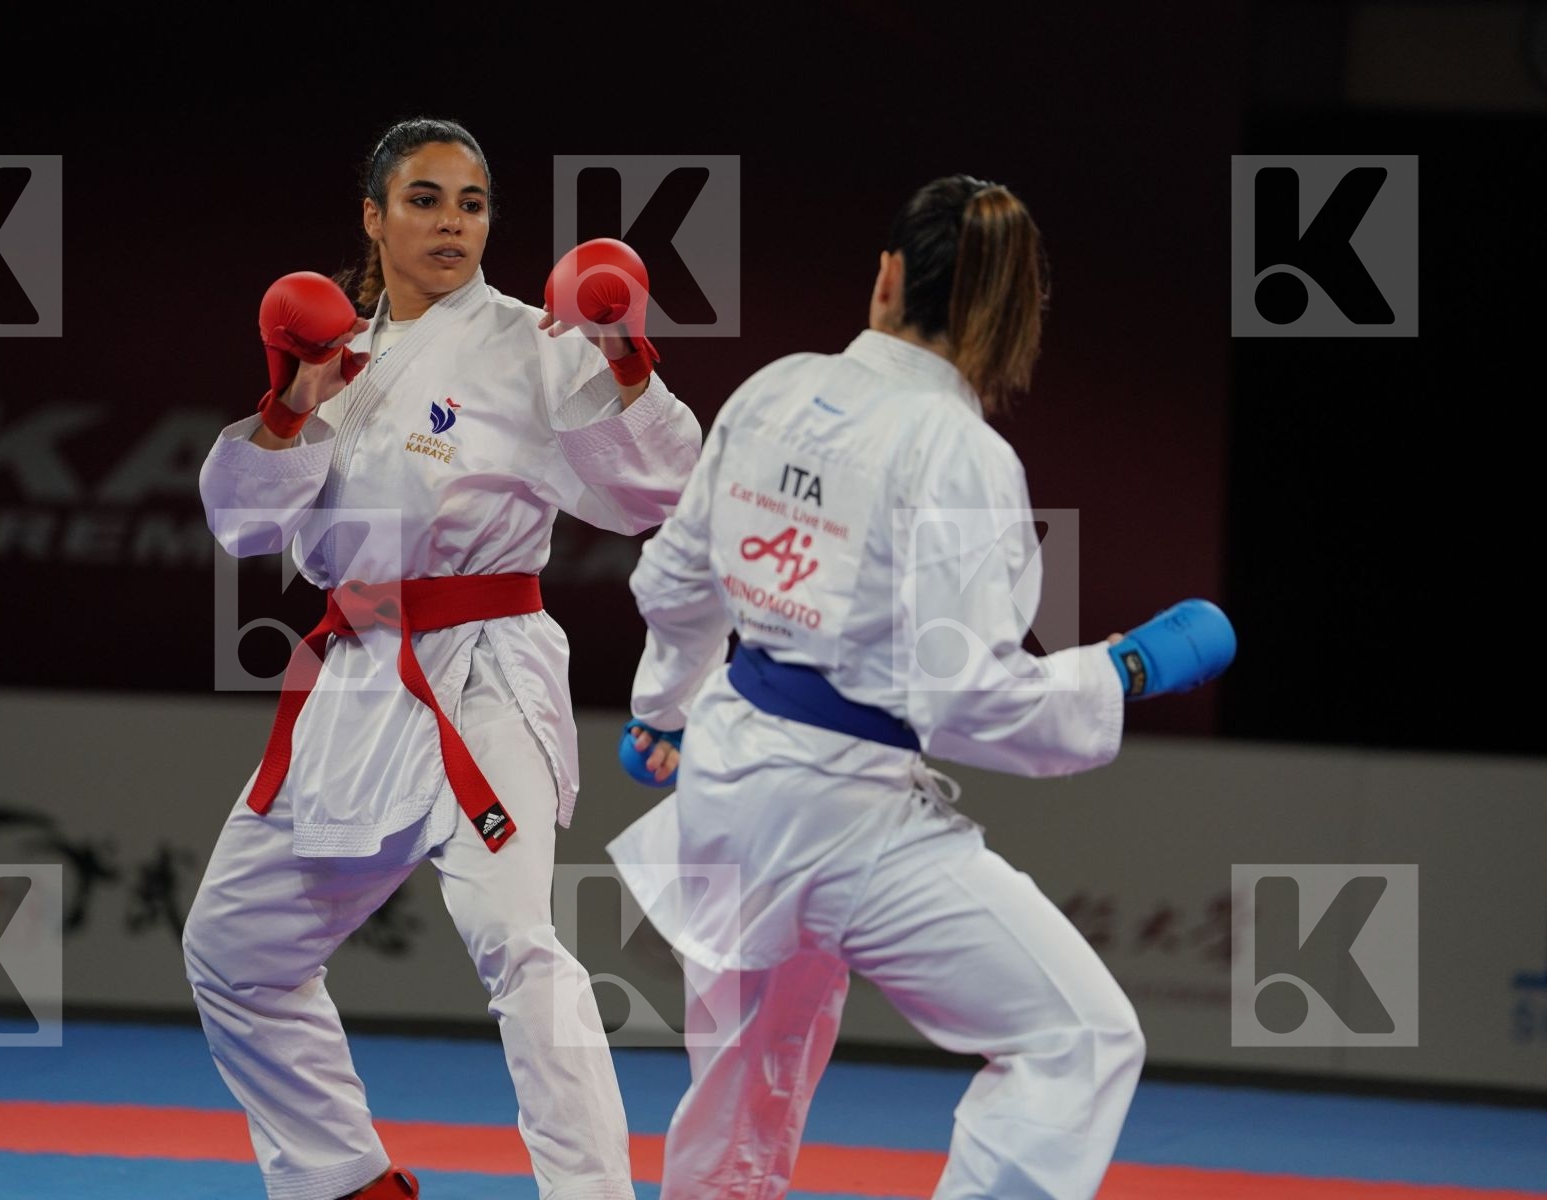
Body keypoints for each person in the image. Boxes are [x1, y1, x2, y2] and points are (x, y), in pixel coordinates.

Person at [607, 175, 1222, 1200]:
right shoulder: (958, 453)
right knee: (1077, 1040)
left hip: (724, 785)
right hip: (839, 811)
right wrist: (1118, 671)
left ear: (887, 276)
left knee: (741, 1089)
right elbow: (968, 701)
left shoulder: (773, 387)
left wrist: (661, 711)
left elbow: (674, 583)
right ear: (1017, 318)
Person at [182, 116, 701, 1200]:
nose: (452, 222)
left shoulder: (533, 340)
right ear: (374, 219)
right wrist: (286, 407)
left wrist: (622, 358)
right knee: (234, 947)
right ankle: (342, 1180)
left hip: (482, 675)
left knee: (515, 938)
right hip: (359, 677)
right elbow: (241, 527)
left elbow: (658, 490)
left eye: (470, 202)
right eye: (424, 199)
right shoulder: (335, 353)